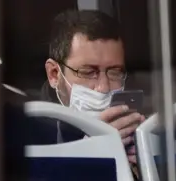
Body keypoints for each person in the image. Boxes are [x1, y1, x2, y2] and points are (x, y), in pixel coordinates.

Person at [41, 9, 145, 164]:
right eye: (88, 72)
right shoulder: (30, 135)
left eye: (114, 72)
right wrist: (90, 156)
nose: (103, 88)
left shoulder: (138, 134)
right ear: (54, 74)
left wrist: (140, 173)